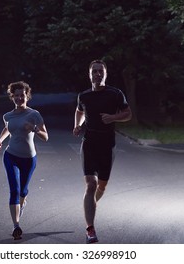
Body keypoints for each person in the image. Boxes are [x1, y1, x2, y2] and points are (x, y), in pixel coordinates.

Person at [73, 60, 132, 243]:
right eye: (94, 72)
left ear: (105, 74)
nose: (97, 74)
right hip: (89, 143)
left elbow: (128, 114)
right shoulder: (83, 96)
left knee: (102, 186)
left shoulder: (115, 94)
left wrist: (113, 117)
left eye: (100, 71)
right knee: (91, 184)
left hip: (107, 145)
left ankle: (90, 205)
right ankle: (90, 229)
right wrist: (77, 125)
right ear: (89, 75)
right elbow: (79, 111)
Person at [0, 81, 49, 240]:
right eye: (16, 95)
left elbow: (45, 137)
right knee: (14, 190)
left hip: (29, 159)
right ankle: (16, 226)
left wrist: (34, 128)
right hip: (10, 156)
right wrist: (0, 140)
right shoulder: (7, 116)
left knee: (23, 191)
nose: (19, 98)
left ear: (27, 96)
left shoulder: (34, 114)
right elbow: (8, 127)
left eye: (22, 95)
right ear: (12, 97)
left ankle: (22, 202)